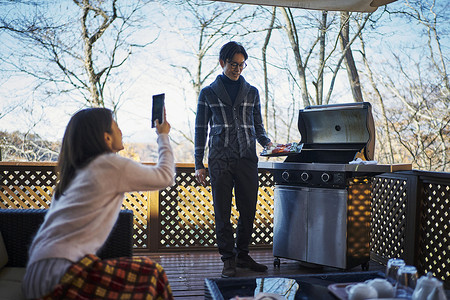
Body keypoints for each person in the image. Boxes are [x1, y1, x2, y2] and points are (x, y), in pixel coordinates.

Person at [22, 107, 175, 299]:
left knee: (148, 273)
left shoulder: (71, 176)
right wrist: (163, 136)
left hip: (37, 273)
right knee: (152, 275)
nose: (121, 131)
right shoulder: (109, 164)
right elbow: (165, 176)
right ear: (107, 138)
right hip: (62, 273)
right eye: (116, 126)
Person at [194, 41, 272, 278]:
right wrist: (199, 164)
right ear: (222, 63)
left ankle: (243, 254)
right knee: (222, 212)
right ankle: (228, 259)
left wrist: (269, 144)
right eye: (233, 64)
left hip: (247, 157)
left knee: (248, 209)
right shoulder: (208, 93)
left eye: (241, 65)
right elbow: (200, 129)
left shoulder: (252, 92)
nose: (237, 69)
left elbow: (258, 127)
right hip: (219, 159)